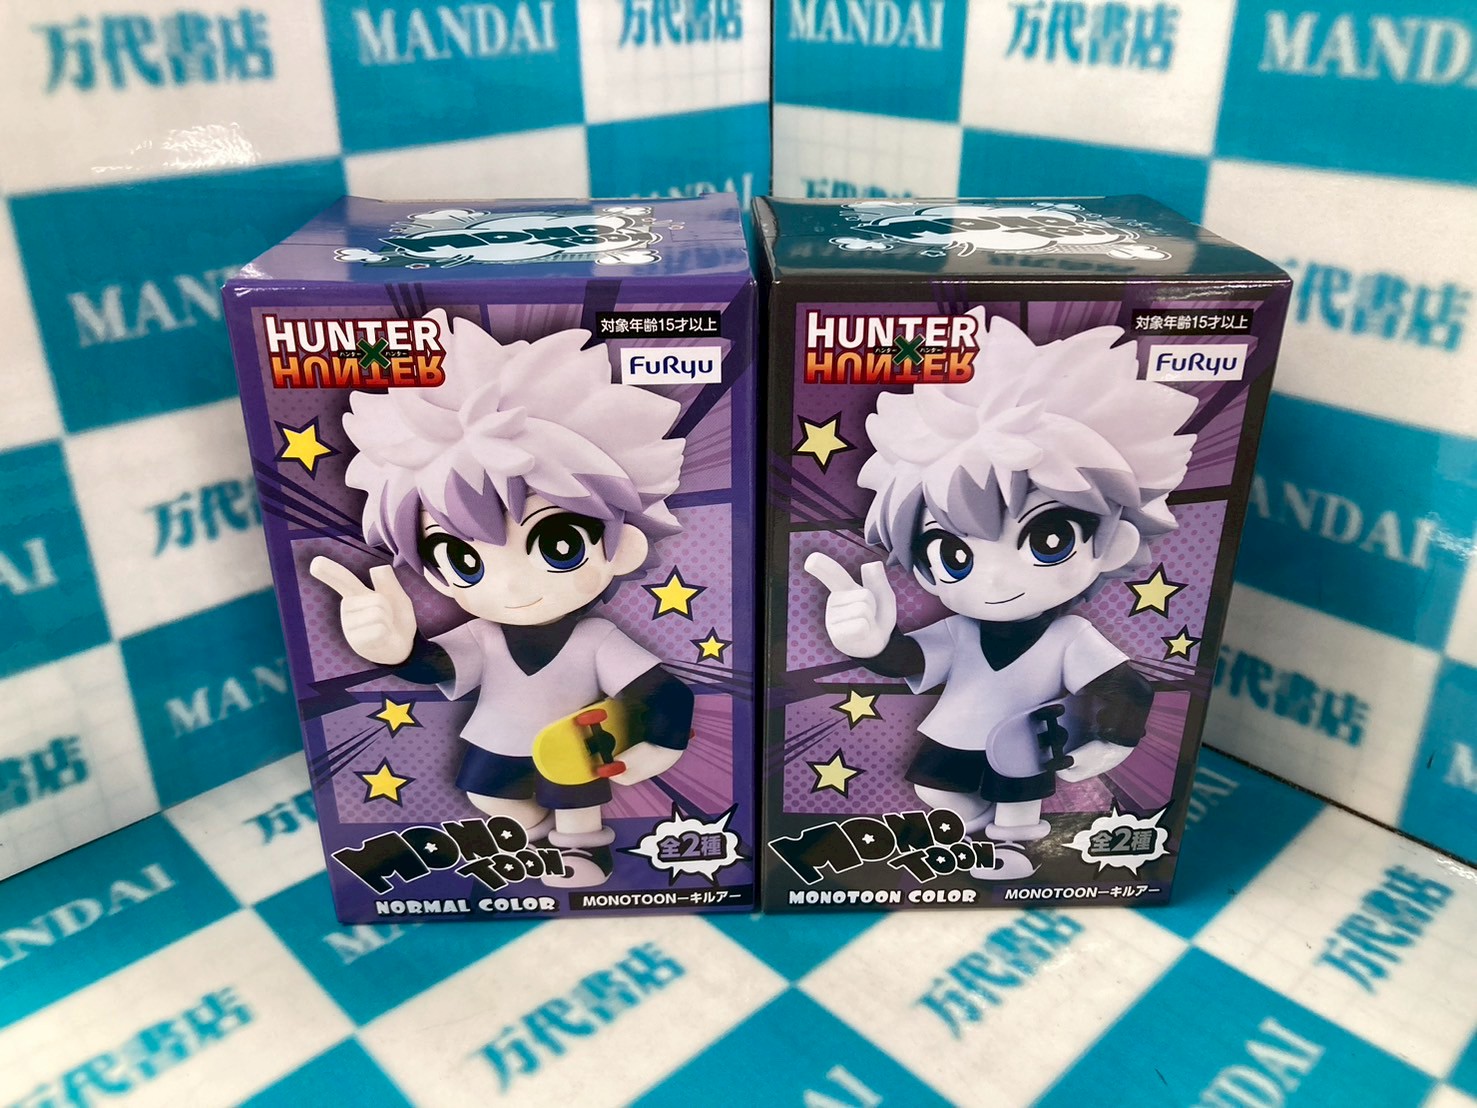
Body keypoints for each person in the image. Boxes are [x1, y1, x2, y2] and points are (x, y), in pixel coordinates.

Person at [806, 309, 1196, 878]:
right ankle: (970, 836)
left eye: (1049, 539)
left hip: (1027, 740)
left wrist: (1112, 740)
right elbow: (912, 660)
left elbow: (1121, 685)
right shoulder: (957, 630)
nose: (994, 580)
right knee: (937, 790)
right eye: (952, 554)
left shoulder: (1070, 635)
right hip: (955, 732)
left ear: (1113, 543)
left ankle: (1012, 845)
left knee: (1019, 797)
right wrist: (870, 645)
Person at [312, 310, 693, 887]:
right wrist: (396, 651)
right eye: (461, 559)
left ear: (622, 548)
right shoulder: (482, 635)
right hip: (496, 739)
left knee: (576, 799)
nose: (512, 587)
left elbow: (658, 691)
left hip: (576, 746)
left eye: (559, 544)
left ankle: (582, 852)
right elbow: (438, 665)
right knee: (491, 796)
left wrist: (660, 744)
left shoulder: (596, 639)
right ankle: (532, 845)